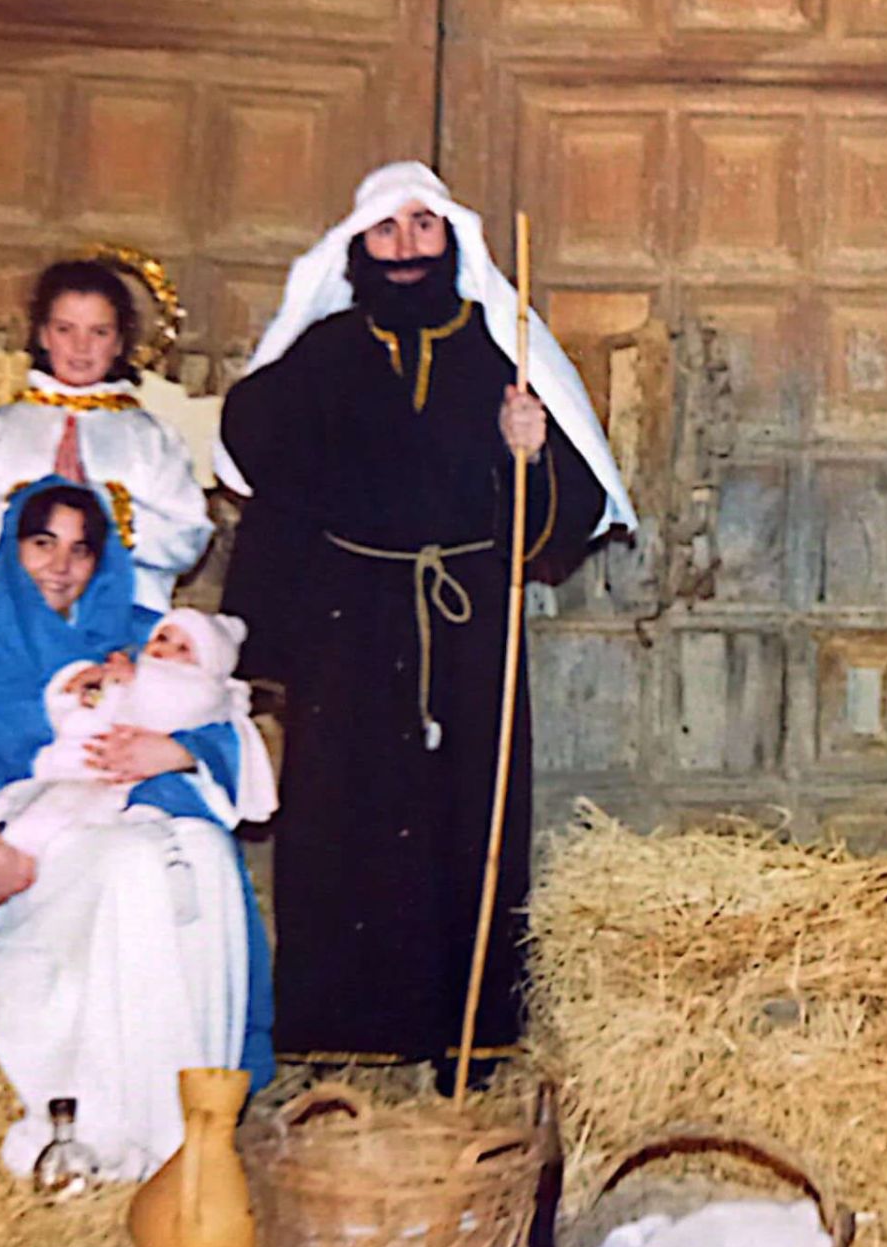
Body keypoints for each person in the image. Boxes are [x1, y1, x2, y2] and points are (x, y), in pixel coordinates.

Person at [217, 161, 635, 1082]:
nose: (405, 249)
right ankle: (341, 1038)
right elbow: (260, 454)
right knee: (340, 821)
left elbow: (556, 514)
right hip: (349, 626)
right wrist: (265, 643)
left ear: (452, 239)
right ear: (356, 248)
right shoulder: (324, 354)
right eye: (385, 232)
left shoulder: (501, 351)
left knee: (468, 819)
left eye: (422, 227)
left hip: (468, 622)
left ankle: (469, 1042)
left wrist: (528, 452)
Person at [0, 479, 272, 1181]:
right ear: (13, 545)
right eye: (42, 543)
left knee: (207, 853)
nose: (60, 566)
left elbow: (234, 713)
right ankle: (124, 1134)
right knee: (134, 869)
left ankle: (198, 1131)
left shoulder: (136, 629)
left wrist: (176, 752)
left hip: (128, 814)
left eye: (80, 550)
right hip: (20, 847)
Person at [0, 260, 212, 611]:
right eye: (66, 329)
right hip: (5, 626)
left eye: (99, 332)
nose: (81, 348)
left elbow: (187, 540)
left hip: (119, 629)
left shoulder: (151, 438)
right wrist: (30, 512)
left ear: (120, 342)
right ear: (43, 335)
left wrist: (109, 511)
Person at [0, 608, 275, 857]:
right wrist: (74, 692)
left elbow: (173, 708)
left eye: (184, 649)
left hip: (126, 789)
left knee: (77, 831)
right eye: (163, 638)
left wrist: (136, 679)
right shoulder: (131, 671)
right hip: (82, 768)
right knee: (37, 812)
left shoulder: (204, 692)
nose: (166, 651)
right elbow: (82, 716)